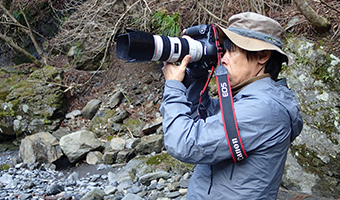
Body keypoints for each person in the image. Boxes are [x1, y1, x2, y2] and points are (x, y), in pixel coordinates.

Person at [159, 12, 303, 200]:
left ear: (262, 55)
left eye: (231, 50)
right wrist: (197, 77)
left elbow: (185, 144)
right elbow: (198, 118)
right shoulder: (244, 100)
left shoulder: (262, 109)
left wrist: (173, 87)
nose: (223, 59)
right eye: (223, 51)